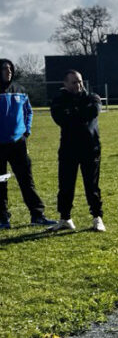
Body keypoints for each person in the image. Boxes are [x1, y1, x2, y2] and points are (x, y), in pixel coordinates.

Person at [0, 58, 57, 229]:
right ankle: (3, 218)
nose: (8, 71)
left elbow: (28, 112)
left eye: (10, 68)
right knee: (1, 181)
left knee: (26, 180)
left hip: (18, 145)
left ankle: (37, 215)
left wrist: (26, 132)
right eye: (4, 68)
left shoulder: (20, 90)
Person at [49, 70, 105, 232]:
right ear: (65, 84)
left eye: (80, 81)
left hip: (90, 148)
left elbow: (91, 112)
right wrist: (78, 112)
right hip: (68, 149)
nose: (78, 85)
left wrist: (73, 112)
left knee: (92, 185)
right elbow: (61, 119)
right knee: (65, 185)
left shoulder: (92, 97)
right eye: (74, 82)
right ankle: (65, 218)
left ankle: (97, 217)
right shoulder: (58, 100)